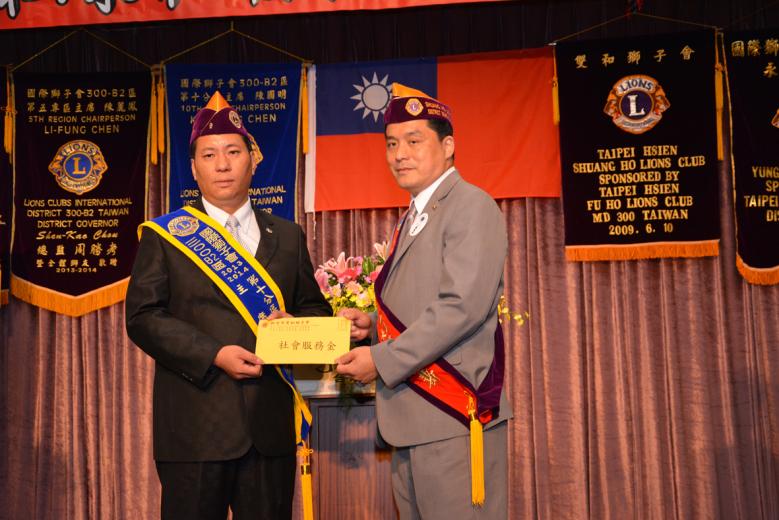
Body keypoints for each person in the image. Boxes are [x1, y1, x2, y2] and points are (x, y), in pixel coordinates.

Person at [125, 91, 331, 520]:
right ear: (194, 168)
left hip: (269, 432)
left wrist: (294, 328)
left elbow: (315, 312)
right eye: (209, 154)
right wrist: (214, 354)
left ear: (253, 159)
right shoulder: (166, 236)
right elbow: (143, 318)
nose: (222, 164)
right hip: (195, 430)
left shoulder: (288, 236)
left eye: (233, 152)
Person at [335, 83, 511, 520]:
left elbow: (461, 307)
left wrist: (381, 359)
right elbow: (420, 303)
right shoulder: (413, 216)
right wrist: (371, 324)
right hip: (412, 419)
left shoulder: (471, 205)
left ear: (448, 147)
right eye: (392, 143)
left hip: (452, 415)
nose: (400, 154)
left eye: (414, 141)